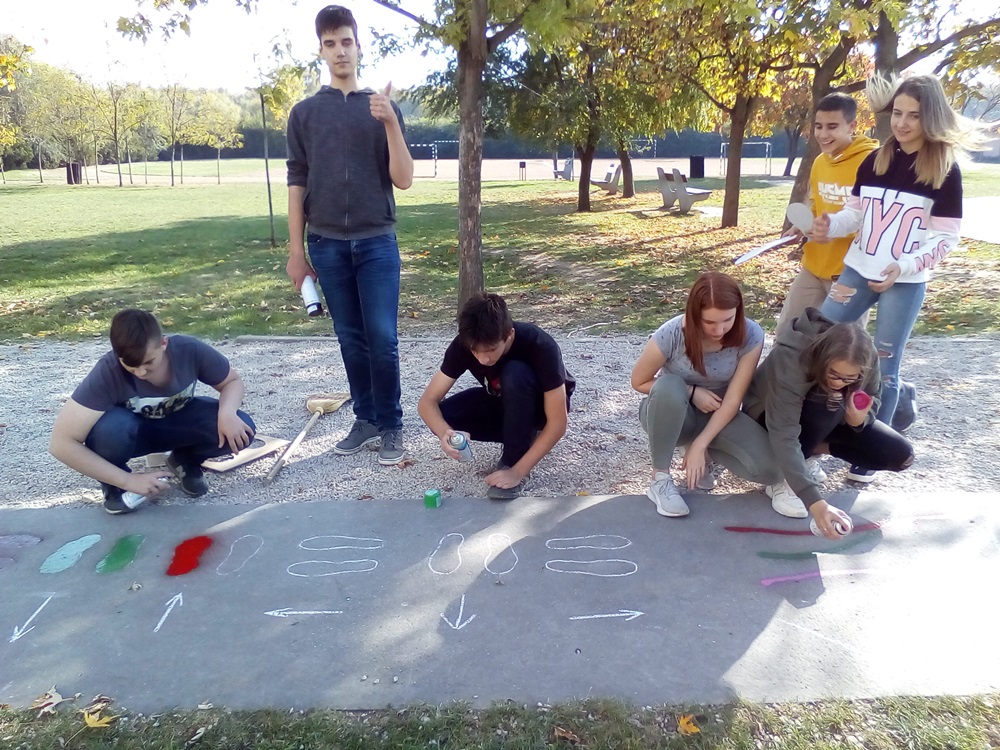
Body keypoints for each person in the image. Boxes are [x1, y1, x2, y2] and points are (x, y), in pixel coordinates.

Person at [811, 75, 982, 481]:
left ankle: (870, 453)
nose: (902, 123)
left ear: (931, 118)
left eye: (914, 116)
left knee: (885, 366)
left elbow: (946, 237)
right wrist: (830, 225)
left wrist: (903, 267)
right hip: (857, 269)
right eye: (898, 114)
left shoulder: (945, 171)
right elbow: (855, 215)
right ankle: (813, 437)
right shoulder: (875, 160)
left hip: (905, 282)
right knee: (817, 340)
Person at [285, 5, 414, 466]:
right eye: (330, 43)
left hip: (376, 241)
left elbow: (404, 179)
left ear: (359, 46)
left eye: (346, 42)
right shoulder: (304, 114)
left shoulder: (381, 107)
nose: (340, 51)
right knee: (350, 338)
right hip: (326, 245)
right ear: (320, 50)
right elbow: (296, 181)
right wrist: (296, 251)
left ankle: (392, 424)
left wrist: (390, 122)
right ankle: (366, 419)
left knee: (382, 337)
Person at [49, 309, 256, 515]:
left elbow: (232, 381)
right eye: (130, 365)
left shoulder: (189, 350)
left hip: (178, 422)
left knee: (242, 428)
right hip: (131, 432)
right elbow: (61, 444)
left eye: (149, 362)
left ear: (164, 343)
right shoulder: (107, 372)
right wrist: (127, 480)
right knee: (110, 429)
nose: (140, 372)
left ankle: (185, 460)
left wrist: (227, 413)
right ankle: (114, 486)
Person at [743, 309, 913, 536]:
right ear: (822, 359)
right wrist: (814, 501)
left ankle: (811, 452)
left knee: (900, 455)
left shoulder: (867, 354)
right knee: (828, 400)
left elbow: (874, 396)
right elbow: (784, 432)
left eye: (850, 378)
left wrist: (860, 420)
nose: (840, 382)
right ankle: (784, 479)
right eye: (834, 374)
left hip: (827, 416)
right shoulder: (793, 356)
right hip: (767, 416)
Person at [630, 272, 781, 518]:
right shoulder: (672, 333)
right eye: (709, 322)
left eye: (728, 319)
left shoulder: (751, 334)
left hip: (718, 412)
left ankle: (702, 450)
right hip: (671, 413)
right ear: (694, 314)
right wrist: (692, 392)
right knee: (670, 385)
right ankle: (660, 479)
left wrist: (700, 445)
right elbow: (639, 381)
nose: (719, 329)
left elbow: (733, 400)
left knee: (771, 470)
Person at [417, 292, 575, 500]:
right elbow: (427, 402)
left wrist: (517, 471)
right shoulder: (465, 343)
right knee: (444, 416)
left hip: (539, 410)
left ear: (509, 335)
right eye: (475, 351)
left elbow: (558, 423)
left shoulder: (540, 345)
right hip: (503, 401)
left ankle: (514, 458)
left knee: (515, 373)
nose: (483, 359)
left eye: (491, 350)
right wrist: (445, 433)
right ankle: (520, 436)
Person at [775, 93, 878, 336]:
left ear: (852, 126)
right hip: (813, 266)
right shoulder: (820, 162)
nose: (823, 134)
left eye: (832, 127)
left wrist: (833, 229)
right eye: (818, 126)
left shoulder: (873, 162)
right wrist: (802, 225)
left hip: (850, 273)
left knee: (843, 343)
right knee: (788, 332)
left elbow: (876, 220)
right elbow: (816, 201)